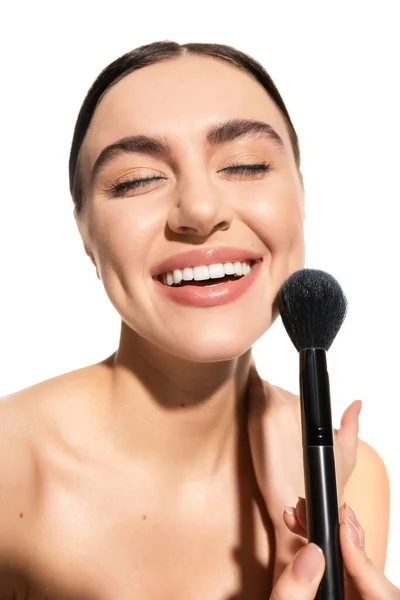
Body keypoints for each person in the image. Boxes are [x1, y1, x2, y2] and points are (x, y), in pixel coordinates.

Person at [0, 40, 395, 599]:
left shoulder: (352, 479)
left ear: (301, 198)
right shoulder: (8, 469)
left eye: (245, 165)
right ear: (85, 236)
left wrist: (297, 551)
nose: (201, 211)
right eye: (137, 179)